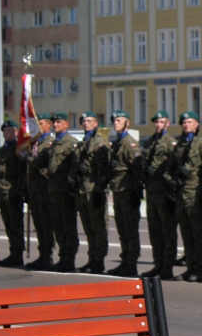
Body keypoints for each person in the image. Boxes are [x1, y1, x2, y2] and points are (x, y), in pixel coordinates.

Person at [169, 111, 202, 282]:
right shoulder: (179, 143)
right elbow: (171, 165)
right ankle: (189, 266)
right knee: (186, 232)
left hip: (196, 193)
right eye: (184, 122)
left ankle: (198, 269)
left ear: (197, 124)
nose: (186, 125)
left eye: (190, 122)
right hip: (181, 192)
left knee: (196, 232)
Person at [141, 110, 179, 280]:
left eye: (161, 122)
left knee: (167, 231)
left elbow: (174, 167)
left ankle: (168, 266)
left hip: (164, 192)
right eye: (156, 122)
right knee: (154, 230)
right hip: (151, 192)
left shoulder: (171, 143)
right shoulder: (150, 141)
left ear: (167, 123)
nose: (158, 125)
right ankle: (158, 263)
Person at [106, 111, 144, 277]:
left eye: (119, 120)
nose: (115, 123)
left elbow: (137, 170)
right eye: (114, 120)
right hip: (118, 192)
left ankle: (132, 263)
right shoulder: (117, 143)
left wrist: (136, 192)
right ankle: (125, 260)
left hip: (128, 192)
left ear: (127, 123)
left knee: (130, 229)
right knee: (122, 229)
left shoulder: (130, 143)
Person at [72, 112, 109, 274]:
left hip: (93, 190)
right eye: (83, 121)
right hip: (82, 190)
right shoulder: (84, 142)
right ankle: (92, 258)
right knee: (88, 228)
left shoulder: (99, 142)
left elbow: (104, 170)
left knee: (98, 228)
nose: (85, 123)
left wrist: (100, 191)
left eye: (89, 121)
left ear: (96, 123)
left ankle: (99, 260)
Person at [48, 112, 80, 273]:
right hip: (53, 190)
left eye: (59, 122)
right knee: (58, 226)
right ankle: (62, 256)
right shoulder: (53, 144)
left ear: (66, 124)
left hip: (65, 191)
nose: (55, 125)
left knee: (68, 226)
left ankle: (70, 258)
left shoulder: (71, 143)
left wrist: (71, 185)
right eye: (54, 122)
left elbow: (74, 168)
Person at [23, 114, 56, 269]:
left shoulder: (49, 143)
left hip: (45, 191)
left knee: (46, 224)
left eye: (40, 123)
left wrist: (27, 156)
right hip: (35, 190)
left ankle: (47, 256)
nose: (37, 126)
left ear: (48, 125)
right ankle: (42, 254)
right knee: (39, 224)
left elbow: (38, 163)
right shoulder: (35, 143)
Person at [0, 120, 25, 266]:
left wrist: (20, 190)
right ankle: (13, 251)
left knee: (16, 225)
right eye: (4, 131)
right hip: (2, 192)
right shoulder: (2, 150)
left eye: (9, 130)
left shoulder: (18, 148)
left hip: (13, 192)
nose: (6, 133)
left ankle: (18, 253)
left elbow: (21, 171)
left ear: (15, 132)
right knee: (8, 224)